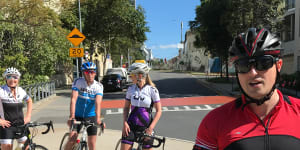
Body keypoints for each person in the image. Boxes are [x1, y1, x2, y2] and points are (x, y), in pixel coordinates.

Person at [193, 28, 300, 150]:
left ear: (279, 65)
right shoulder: (214, 121)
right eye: (244, 65)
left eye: (263, 63)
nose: (253, 73)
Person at [121, 63, 162, 150]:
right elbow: (126, 108)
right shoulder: (130, 89)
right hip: (130, 126)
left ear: (140, 75)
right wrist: (125, 122)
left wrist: (151, 128)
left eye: (132, 75)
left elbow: (159, 111)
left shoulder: (152, 90)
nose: (130, 77)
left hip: (146, 127)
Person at [65, 62, 105, 150]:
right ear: (83, 73)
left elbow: (98, 103)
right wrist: (72, 116)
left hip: (91, 116)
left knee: (92, 144)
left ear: (95, 73)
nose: (90, 74)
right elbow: (73, 99)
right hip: (77, 115)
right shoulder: (78, 82)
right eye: (87, 72)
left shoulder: (99, 86)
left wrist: (98, 120)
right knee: (72, 139)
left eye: (92, 72)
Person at [0, 67, 33, 150]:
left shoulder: (21, 91)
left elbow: (29, 101)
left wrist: (28, 116)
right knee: (7, 147)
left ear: (18, 79)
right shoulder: (1, 91)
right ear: (5, 79)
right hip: (7, 127)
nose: (12, 79)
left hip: (20, 125)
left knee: (26, 147)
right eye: (9, 77)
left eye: (15, 77)